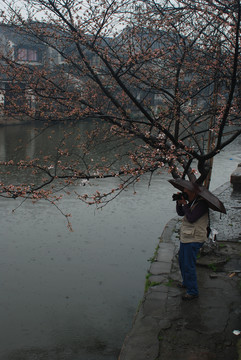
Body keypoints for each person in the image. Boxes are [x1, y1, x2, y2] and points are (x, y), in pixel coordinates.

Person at [175, 187, 209, 300]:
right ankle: (186, 283)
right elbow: (181, 213)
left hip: (194, 239)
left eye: (186, 192)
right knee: (182, 261)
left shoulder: (201, 204)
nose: (185, 194)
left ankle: (193, 291)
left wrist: (184, 204)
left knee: (189, 265)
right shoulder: (192, 202)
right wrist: (179, 203)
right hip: (186, 237)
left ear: (193, 193)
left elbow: (191, 218)